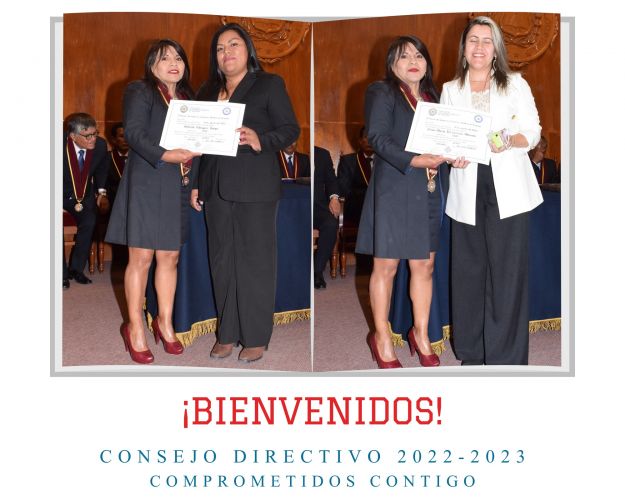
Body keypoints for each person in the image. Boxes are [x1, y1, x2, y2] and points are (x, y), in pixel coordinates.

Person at [191, 23, 300, 363]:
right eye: (220, 48)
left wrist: (260, 139)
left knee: (255, 262)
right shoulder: (207, 90)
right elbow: (199, 142)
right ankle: (226, 333)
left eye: (234, 44)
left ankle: (255, 336)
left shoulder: (268, 84)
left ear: (248, 49)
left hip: (256, 185)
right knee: (222, 261)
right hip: (215, 186)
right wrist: (196, 183)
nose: (227, 52)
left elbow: (290, 129)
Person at [356, 36, 466, 369]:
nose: (413, 61)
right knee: (386, 267)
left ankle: (420, 333)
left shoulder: (436, 99)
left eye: (419, 55)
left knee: (424, 266)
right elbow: (377, 138)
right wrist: (415, 160)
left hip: (429, 191)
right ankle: (381, 337)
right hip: (394, 188)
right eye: (404, 56)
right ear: (392, 64)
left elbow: (449, 141)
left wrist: (457, 156)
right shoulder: (382, 91)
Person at [441, 16, 543, 365]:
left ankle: (506, 357)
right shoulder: (450, 89)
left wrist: (510, 139)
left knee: (506, 273)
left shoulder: (515, 84)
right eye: (473, 40)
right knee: (468, 271)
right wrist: (450, 155)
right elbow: (446, 137)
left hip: (508, 186)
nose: (480, 47)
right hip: (467, 183)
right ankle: (472, 351)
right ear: (464, 48)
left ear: (496, 49)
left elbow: (533, 131)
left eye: (487, 40)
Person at [106, 39, 201, 364]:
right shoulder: (141, 90)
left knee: (170, 257)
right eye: (165, 58)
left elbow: (198, 145)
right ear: (151, 65)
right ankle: (134, 327)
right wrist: (165, 155)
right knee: (142, 258)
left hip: (178, 185)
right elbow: (134, 133)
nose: (174, 63)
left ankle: (165, 322)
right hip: (148, 180)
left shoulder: (190, 99)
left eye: (178, 58)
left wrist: (195, 186)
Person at [62, 112, 110, 289]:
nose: (93, 139)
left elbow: (103, 168)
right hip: (57, 193)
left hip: (83, 194)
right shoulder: (56, 144)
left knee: (89, 221)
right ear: (72, 136)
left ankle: (76, 269)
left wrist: (101, 192)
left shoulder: (100, 146)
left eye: (95, 133)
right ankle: (60, 274)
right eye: (87, 136)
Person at [313, 146, 341, 289]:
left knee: (331, 224)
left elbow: (331, 180)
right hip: (296, 206)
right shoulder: (287, 151)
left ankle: (317, 271)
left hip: (318, 207)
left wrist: (334, 198)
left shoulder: (322, 154)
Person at [337, 126, 375, 228]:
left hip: (379, 205)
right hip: (356, 207)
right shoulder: (348, 161)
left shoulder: (383, 163)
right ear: (360, 141)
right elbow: (343, 189)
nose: (369, 141)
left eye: (373, 137)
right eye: (366, 137)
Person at [106, 122, 129, 204]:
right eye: (122, 136)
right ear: (114, 139)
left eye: (128, 136)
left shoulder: (138, 159)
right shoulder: (106, 158)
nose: (126, 140)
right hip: (113, 202)